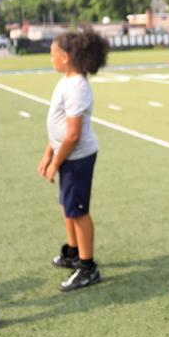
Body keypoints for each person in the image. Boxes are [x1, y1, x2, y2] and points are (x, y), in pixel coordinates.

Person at [38, 29, 108, 292]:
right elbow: (58, 126)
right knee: (68, 206)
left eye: (53, 54)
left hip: (76, 157)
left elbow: (74, 134)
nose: (51, 59)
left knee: (78, 210)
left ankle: (88, 267)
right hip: (66, 154)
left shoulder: (77, 86)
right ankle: (73, 252)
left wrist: (56, 162)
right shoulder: (67, 80)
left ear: (65, 57)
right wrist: (49, 153)